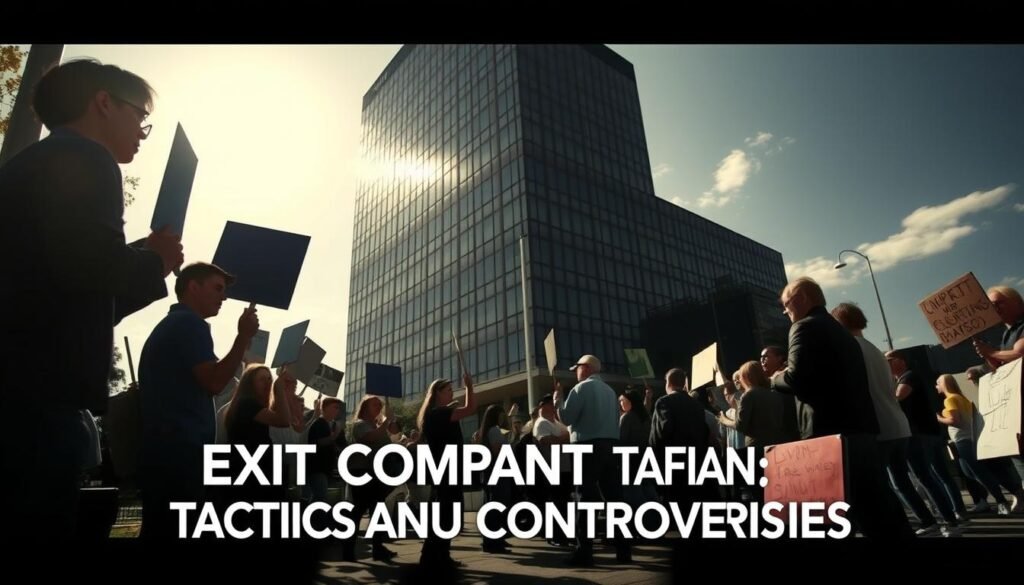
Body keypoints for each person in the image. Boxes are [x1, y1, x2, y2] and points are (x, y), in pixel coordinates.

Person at [0, 58, 183, 540]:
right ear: (104, 103)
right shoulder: (87, 159)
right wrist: (155, 261)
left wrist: (144, 258)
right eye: (140, 116)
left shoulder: (33, 166)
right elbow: (90, 268)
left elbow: (72, 289)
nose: (143, 132)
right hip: (36, 398)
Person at [138, 262, 258, 540]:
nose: (224, 297)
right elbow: (215, 381)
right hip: (180, 453)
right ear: (193, 286)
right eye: (218, 288)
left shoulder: (174, 324)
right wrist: (242, 337)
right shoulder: (189, 324)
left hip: (167, 452)